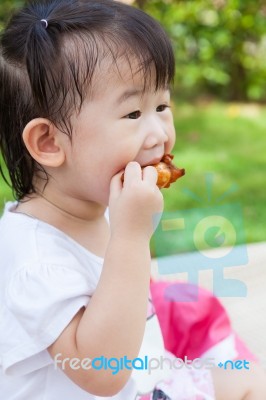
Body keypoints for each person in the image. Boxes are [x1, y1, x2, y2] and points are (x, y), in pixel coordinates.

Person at [0, 0, 265, 399]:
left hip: (145, 376)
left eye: (162, 105)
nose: (159, 133)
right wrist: (130, 237)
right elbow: (101, 374)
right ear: (49, 142)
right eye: (132, 114)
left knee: (244, 376)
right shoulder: (34, 261)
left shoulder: (98, 204)